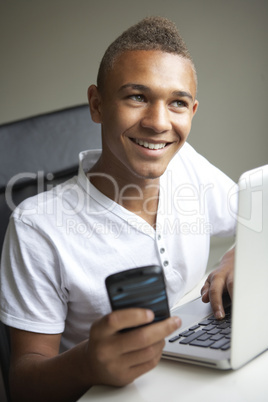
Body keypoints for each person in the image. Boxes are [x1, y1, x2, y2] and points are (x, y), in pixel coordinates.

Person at [0, 16, 237, 402]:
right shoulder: (37, 227)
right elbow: (24, 384)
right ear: (97, 104)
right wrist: (88, 364)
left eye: (176, 103)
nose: (159, 123)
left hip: (193, 375)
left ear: (192, 111)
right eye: (137, 97)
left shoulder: (186, 164)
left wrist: (237, 255)